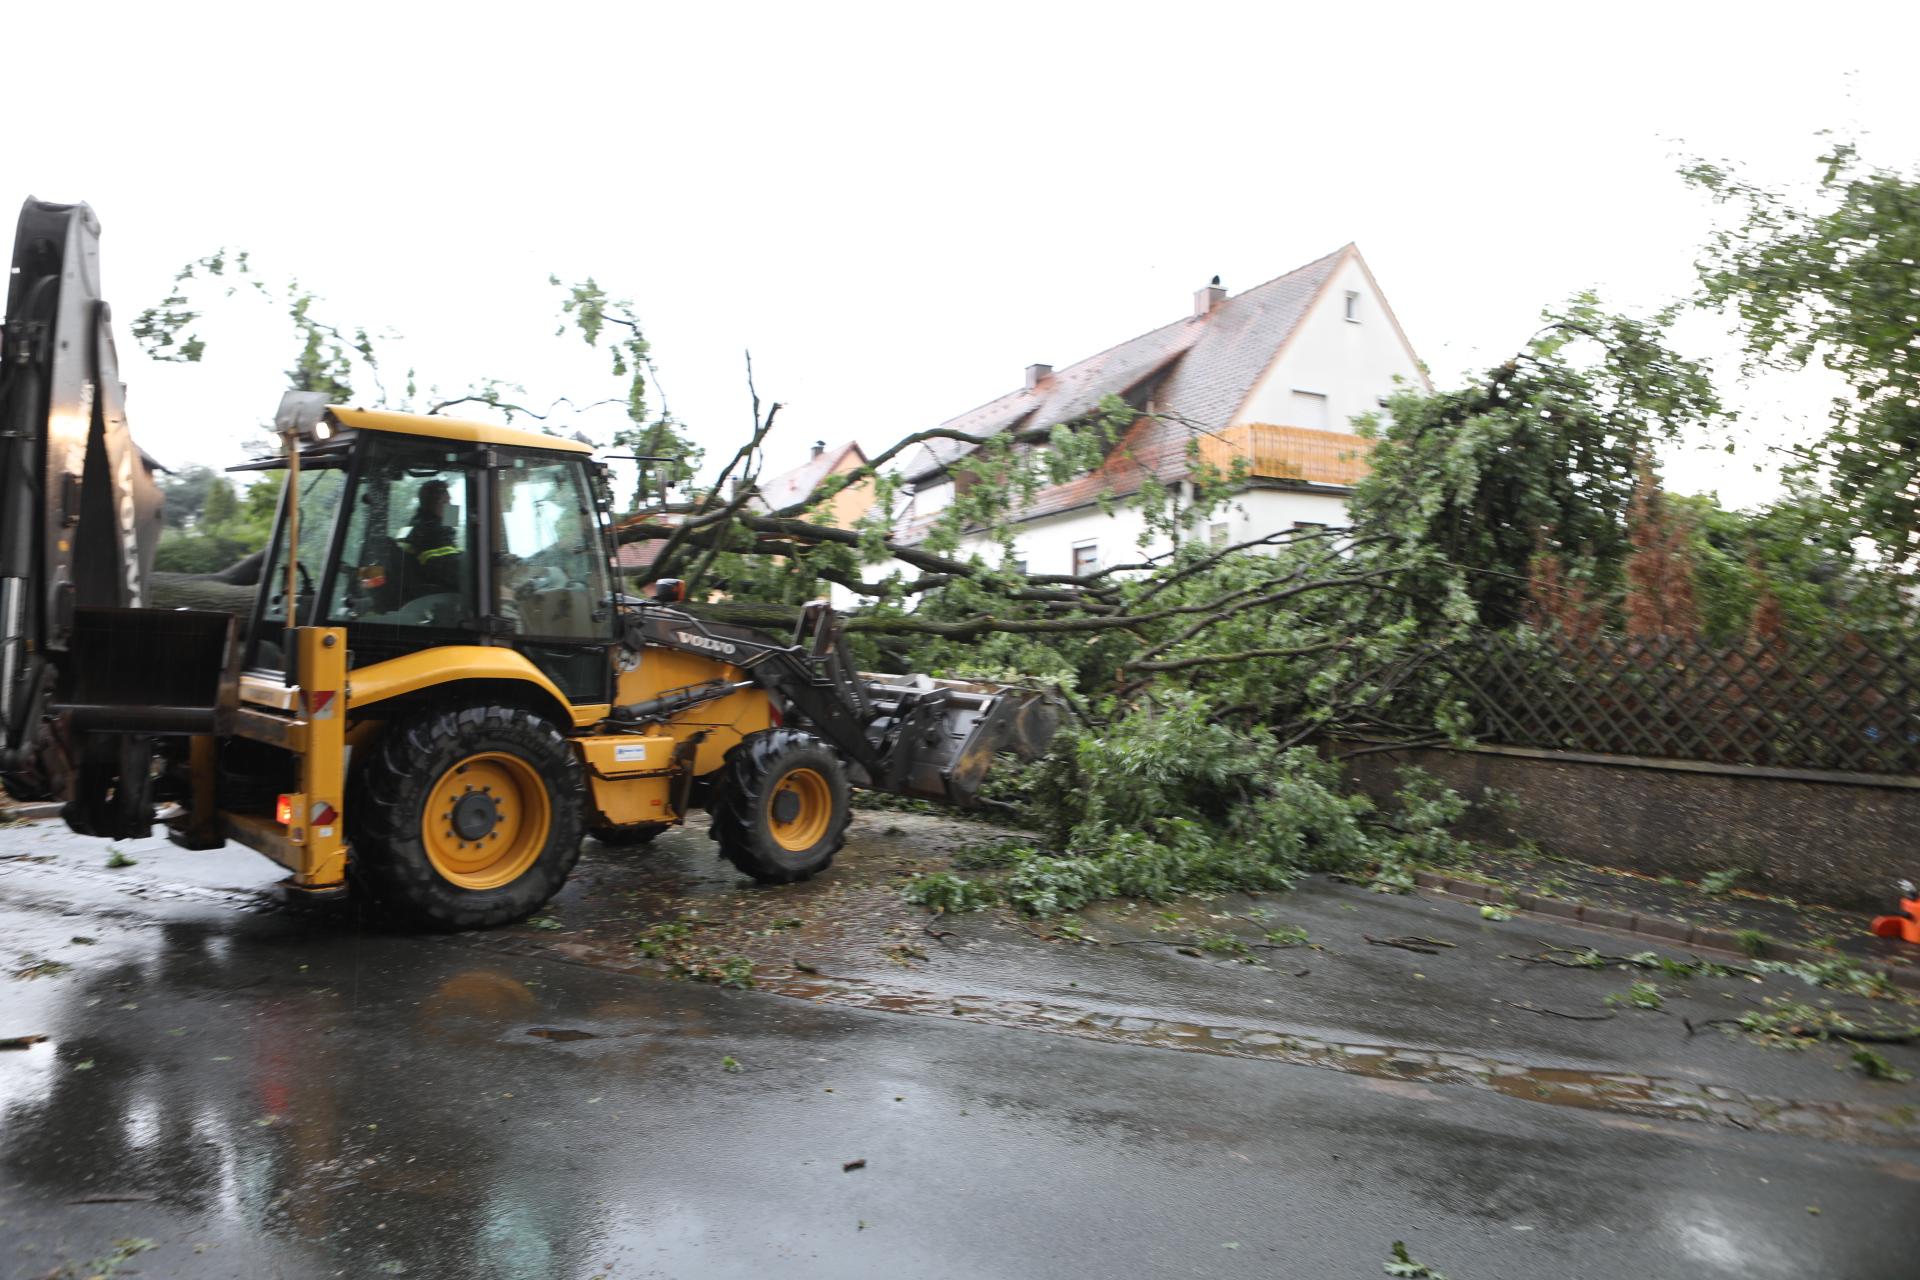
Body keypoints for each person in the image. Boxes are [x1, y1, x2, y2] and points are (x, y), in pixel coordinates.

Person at [400, 479, 462, 596]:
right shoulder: (433, 531)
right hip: (432, 596)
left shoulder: (416, 523)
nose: (451, 506)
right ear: (436, 504)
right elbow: (453, 573)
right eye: (447, 502)